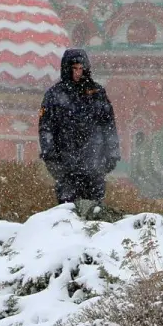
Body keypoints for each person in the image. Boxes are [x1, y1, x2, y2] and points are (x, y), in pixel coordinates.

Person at [38, 48, 121, 207]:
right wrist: (50, 157)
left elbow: (109, 125)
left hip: (94, 163)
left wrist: (112, 154)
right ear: (67, 69)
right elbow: (45, 128)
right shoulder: (54, 95)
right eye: (74, 69)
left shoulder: (97, 93)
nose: (78, 73)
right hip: (66, 164)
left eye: (81, 69)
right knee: (67, 209)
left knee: (95, 209)